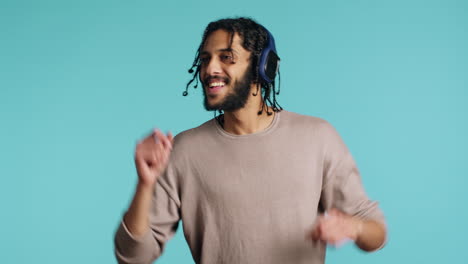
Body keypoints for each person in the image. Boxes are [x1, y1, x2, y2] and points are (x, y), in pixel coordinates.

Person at [114, 17, 387, 264]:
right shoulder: (183, 150)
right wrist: (145, 183)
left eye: (226, 57)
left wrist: (354, 227)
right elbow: (133, 256)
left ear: (262, 66)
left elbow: (376, 231)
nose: (210, 68)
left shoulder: (317, 137)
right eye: (205, 59)